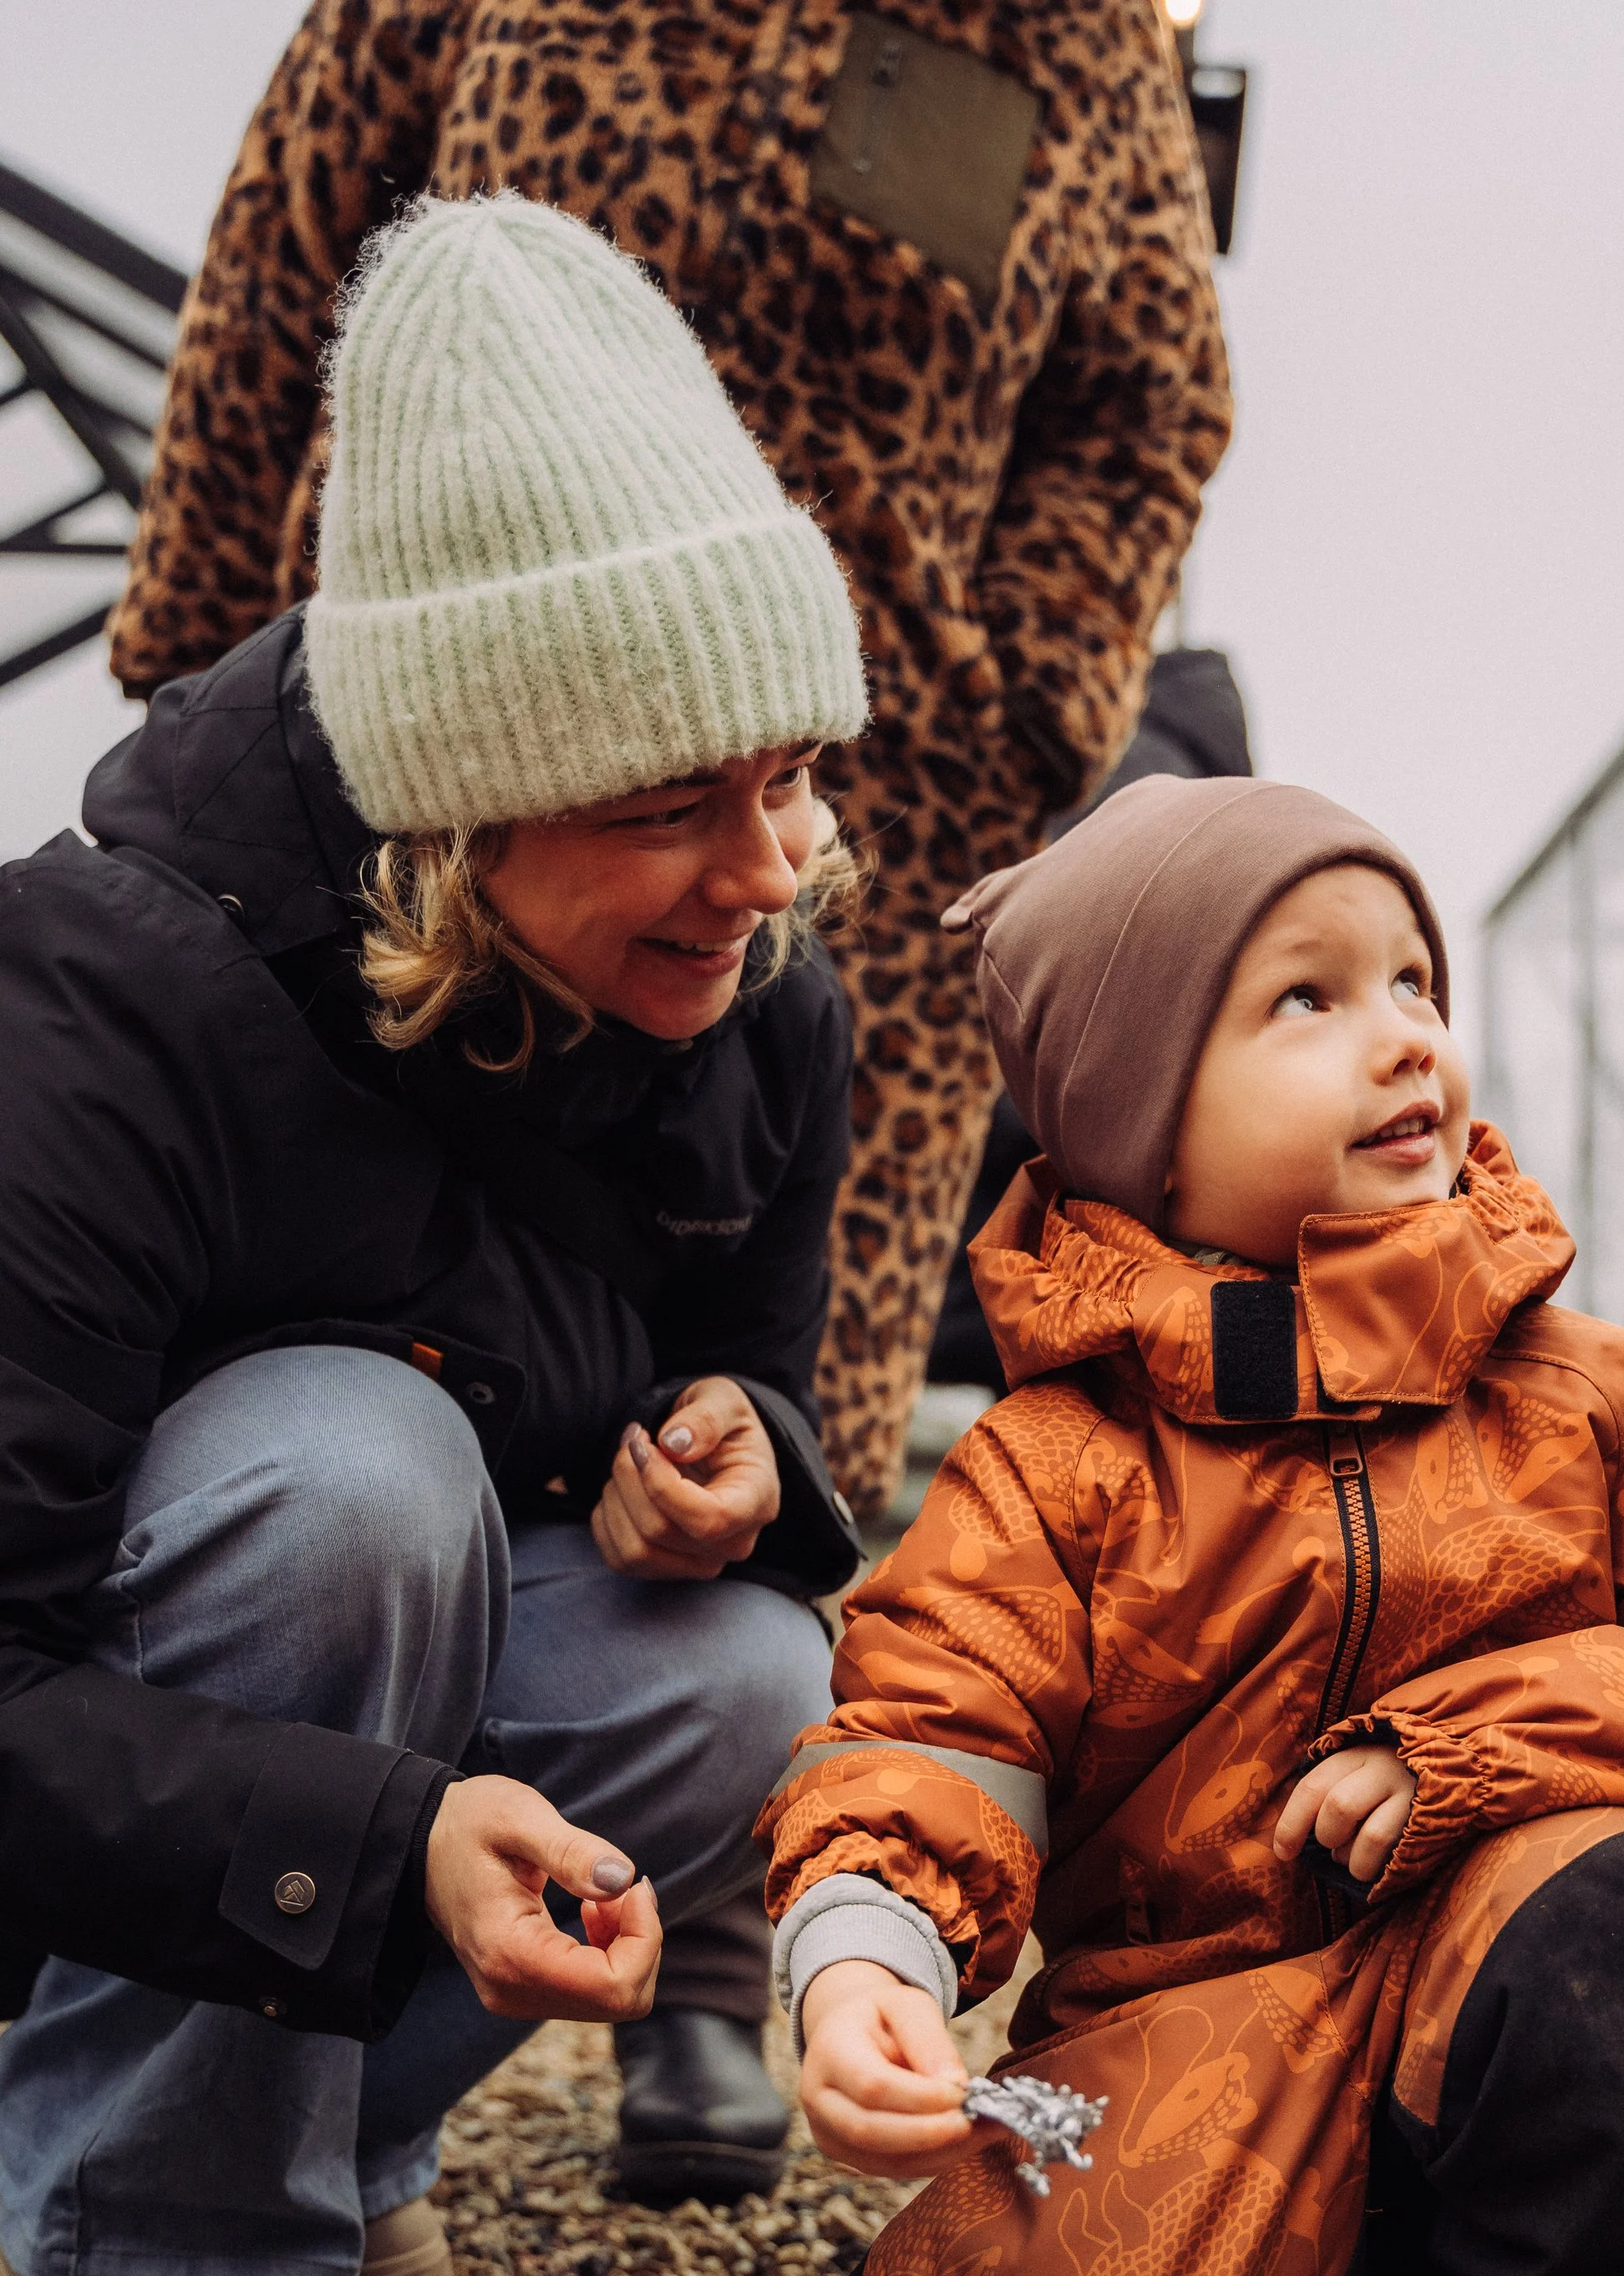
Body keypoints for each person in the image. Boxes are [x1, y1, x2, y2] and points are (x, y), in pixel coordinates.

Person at [759, 776, 1624, 2276]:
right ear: (1139, 1129)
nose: (1401, 1042)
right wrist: (866, 1964)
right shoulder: (1054, 1463)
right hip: (1195, 2035)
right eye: (1308, 998)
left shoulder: (1586, 1393)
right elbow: (926, 1723)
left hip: (1526, 1982)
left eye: (1413, 985)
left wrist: (1479, 1753)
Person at [0, 193, 870, 2276]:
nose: (771, 868)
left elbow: (748, 1356)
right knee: (352, 1473)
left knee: (758, 1660)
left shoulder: (762, 1003)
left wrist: (745, 1448)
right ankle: (109, 2208)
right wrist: (390, 1841)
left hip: (343, 1761)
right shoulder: (104, 1006)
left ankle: (320, 2147)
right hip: (124, 1767)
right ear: (458, 800)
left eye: (787, 769)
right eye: (676, 797)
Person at [104, 0, 1233, 1534]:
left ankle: (688, 1740)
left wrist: (1011, 700)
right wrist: (212, 685)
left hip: (861, 821)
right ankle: (305, 1729)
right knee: (320, 1338)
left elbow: (1157, 388)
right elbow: (279, 255)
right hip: (453, 789)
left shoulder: (1075, 31)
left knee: (759, 1442)